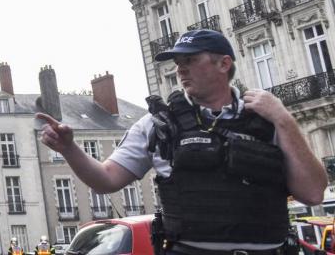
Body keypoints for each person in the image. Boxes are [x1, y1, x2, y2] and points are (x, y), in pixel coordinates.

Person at [36, 29, 326, 255]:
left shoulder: (267, 118)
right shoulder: (159, 124)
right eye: (178, 63)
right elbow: (106, 180)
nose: (180, 69)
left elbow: (313, 193)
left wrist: (285, 120)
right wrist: (69, 149)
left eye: (191, 60)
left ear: (224, 63)